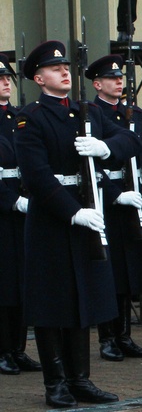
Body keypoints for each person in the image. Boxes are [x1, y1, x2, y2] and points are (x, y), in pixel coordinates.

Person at [17, 40, 141, 407]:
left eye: (66, 68)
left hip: (87, 214)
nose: (64, 72)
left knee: (82, 300)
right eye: (55, 69)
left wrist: (105, 149)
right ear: (40, 78)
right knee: (52, 304)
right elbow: (37, 176)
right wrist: (73, 211)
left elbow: (130, 139)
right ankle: (55, 383)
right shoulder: (31, 117)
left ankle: (80, 379)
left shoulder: (84, 113)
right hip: (54, 220)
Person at [84, 54, 142, 362]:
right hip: (107, 199)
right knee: (109, 271)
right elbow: (91, 167)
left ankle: (124, 334)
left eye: (121, 77)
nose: (119, 82)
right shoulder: (92, 113)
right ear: (97, 84)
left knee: (128, 271)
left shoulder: (134, 114)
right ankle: (107, 337)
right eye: (111, 78)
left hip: (135, 197)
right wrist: (114, 195)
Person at [0, 53, 42, 376]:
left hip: (21, 211)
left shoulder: (18, 117)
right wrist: (11, 201)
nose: (5, 83)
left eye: (7, 78)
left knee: (19, 283)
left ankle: (17, 348)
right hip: (3, 211)